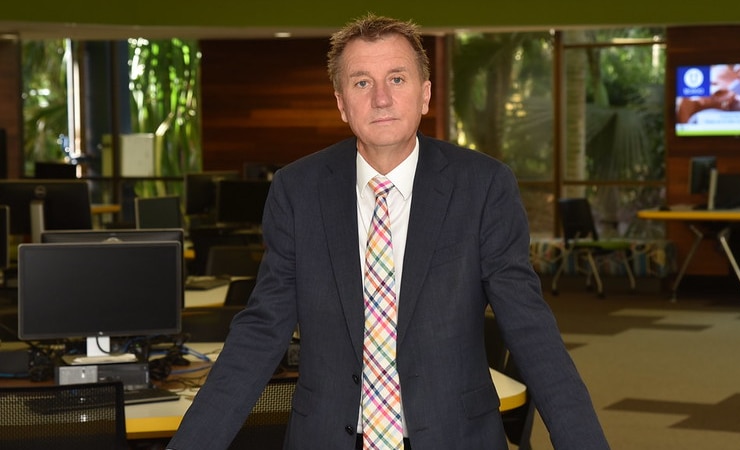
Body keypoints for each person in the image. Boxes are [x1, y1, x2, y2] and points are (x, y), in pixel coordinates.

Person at [167, 13, 609, 450]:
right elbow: (262, 332)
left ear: (425, 95)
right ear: (341, 103)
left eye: (397, 79)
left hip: (455, 436)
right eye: (362, 82)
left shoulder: (483, 186)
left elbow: (529, 329)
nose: (381, 98)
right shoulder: (298, 190)